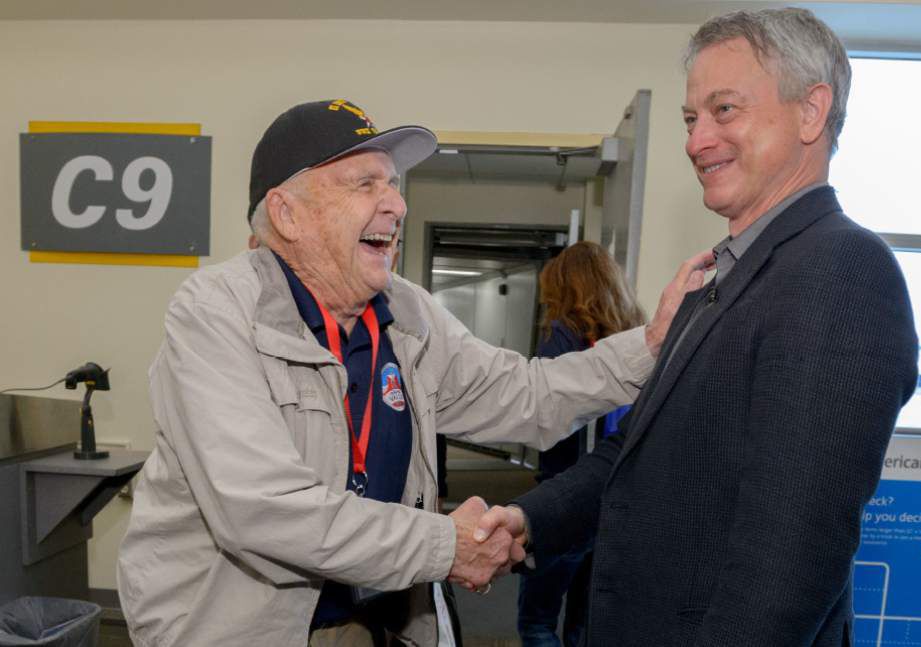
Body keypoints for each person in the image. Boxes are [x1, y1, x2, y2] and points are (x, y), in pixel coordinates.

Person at [116, 99, 701, 647]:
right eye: (364, 183)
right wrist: (448, 546)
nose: (395, 204)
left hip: (380, 616)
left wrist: (650, 346)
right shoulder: (216, 313)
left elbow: (528, 393)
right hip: (248, 628)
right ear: (287, 213)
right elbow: (264, 509)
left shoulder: (409, 313)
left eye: (392, 184)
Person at [476, 8, 919, 646]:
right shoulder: (720, 276)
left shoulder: (840, 272)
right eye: (691, 118)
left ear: (810, 112)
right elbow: (634, 459)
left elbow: (789, 558)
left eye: (724, 110)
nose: (696, 140)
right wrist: (525, 519)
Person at [516, 242, 644, 647]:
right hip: (614, 500)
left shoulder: (561, 335)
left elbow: (544, 413)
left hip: (564, 498)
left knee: (537, 623)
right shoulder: (637, 335)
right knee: (583, 628)